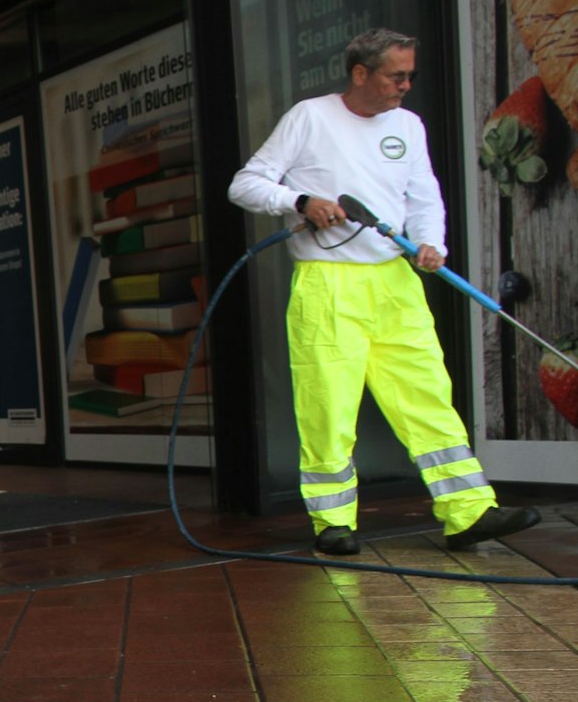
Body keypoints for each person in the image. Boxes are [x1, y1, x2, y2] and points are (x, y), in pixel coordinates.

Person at [229, 28, 539, 557]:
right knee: (328, 406)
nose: (406, 85)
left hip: (396, 280)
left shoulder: (408, 126)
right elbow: (246, 183)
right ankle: (333, 523)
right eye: (397, 75)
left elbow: (424, 196)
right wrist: (302, 200)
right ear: (360, 73)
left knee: (427, 399)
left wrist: (430, 243)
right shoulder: (310, 117)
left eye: (410, 75)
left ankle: (467, 513)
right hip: (328, 282)